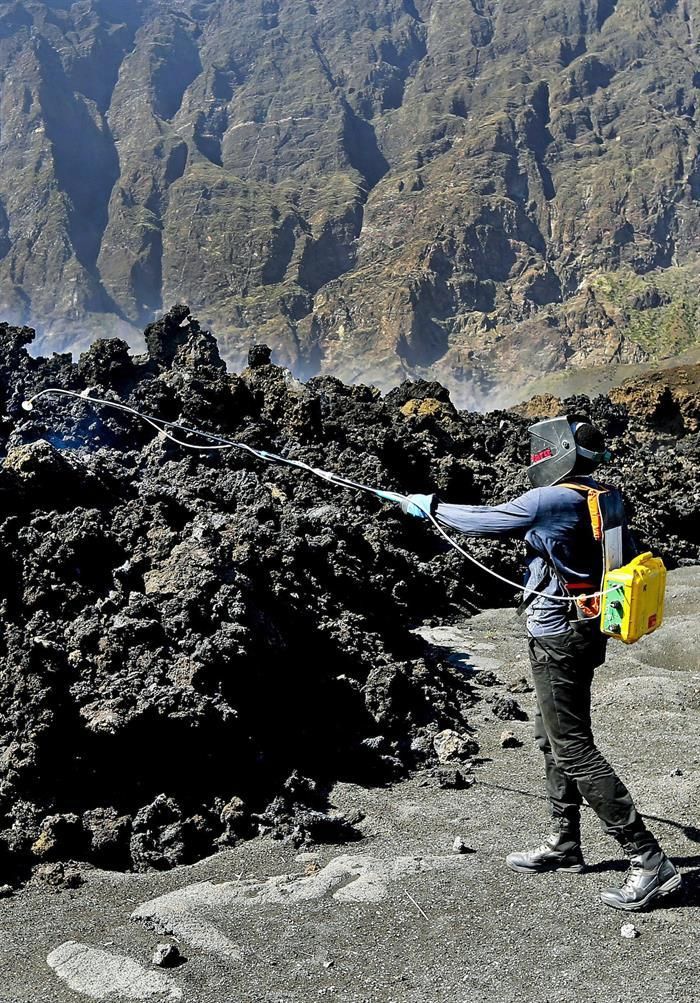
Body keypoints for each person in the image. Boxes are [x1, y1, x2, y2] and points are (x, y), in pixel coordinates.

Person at [401, 415, 681, 911]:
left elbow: (487, 520)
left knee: (572, 747)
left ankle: (648, 859)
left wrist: (431, 508)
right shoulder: (601, 494)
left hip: (558, 638)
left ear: (557, 452)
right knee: (551, 738)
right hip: (584, 629)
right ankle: (565, 843)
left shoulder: (551, 499)